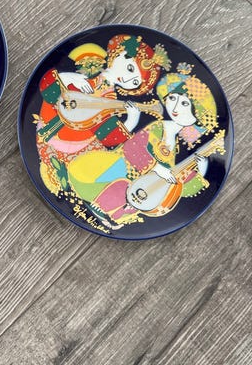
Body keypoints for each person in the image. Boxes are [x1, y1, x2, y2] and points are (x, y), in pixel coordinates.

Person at [67, 64, 220, 229]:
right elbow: (132, 149)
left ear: (195, 117)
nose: (175, 107)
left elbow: (174, 186)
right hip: (104, 173)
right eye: (173, 98)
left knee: (142, 195)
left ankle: (113, 212)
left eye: (184, 104)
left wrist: (201, 169)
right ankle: (104, 205)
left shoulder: (173, 146)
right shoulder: (158, 127)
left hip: (131, 191)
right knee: (123, 181)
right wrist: (157, 169)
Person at [36, 34, 171, 195]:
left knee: (112, 160)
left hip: (73, 145)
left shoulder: (109, 99)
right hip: (48, 125)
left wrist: (132, 120)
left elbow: (107, 134)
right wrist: (71, 77)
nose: (127, 79)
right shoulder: (90, 65)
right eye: (130, 68)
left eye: (135, 82)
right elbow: (46, 88)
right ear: (119, 53)